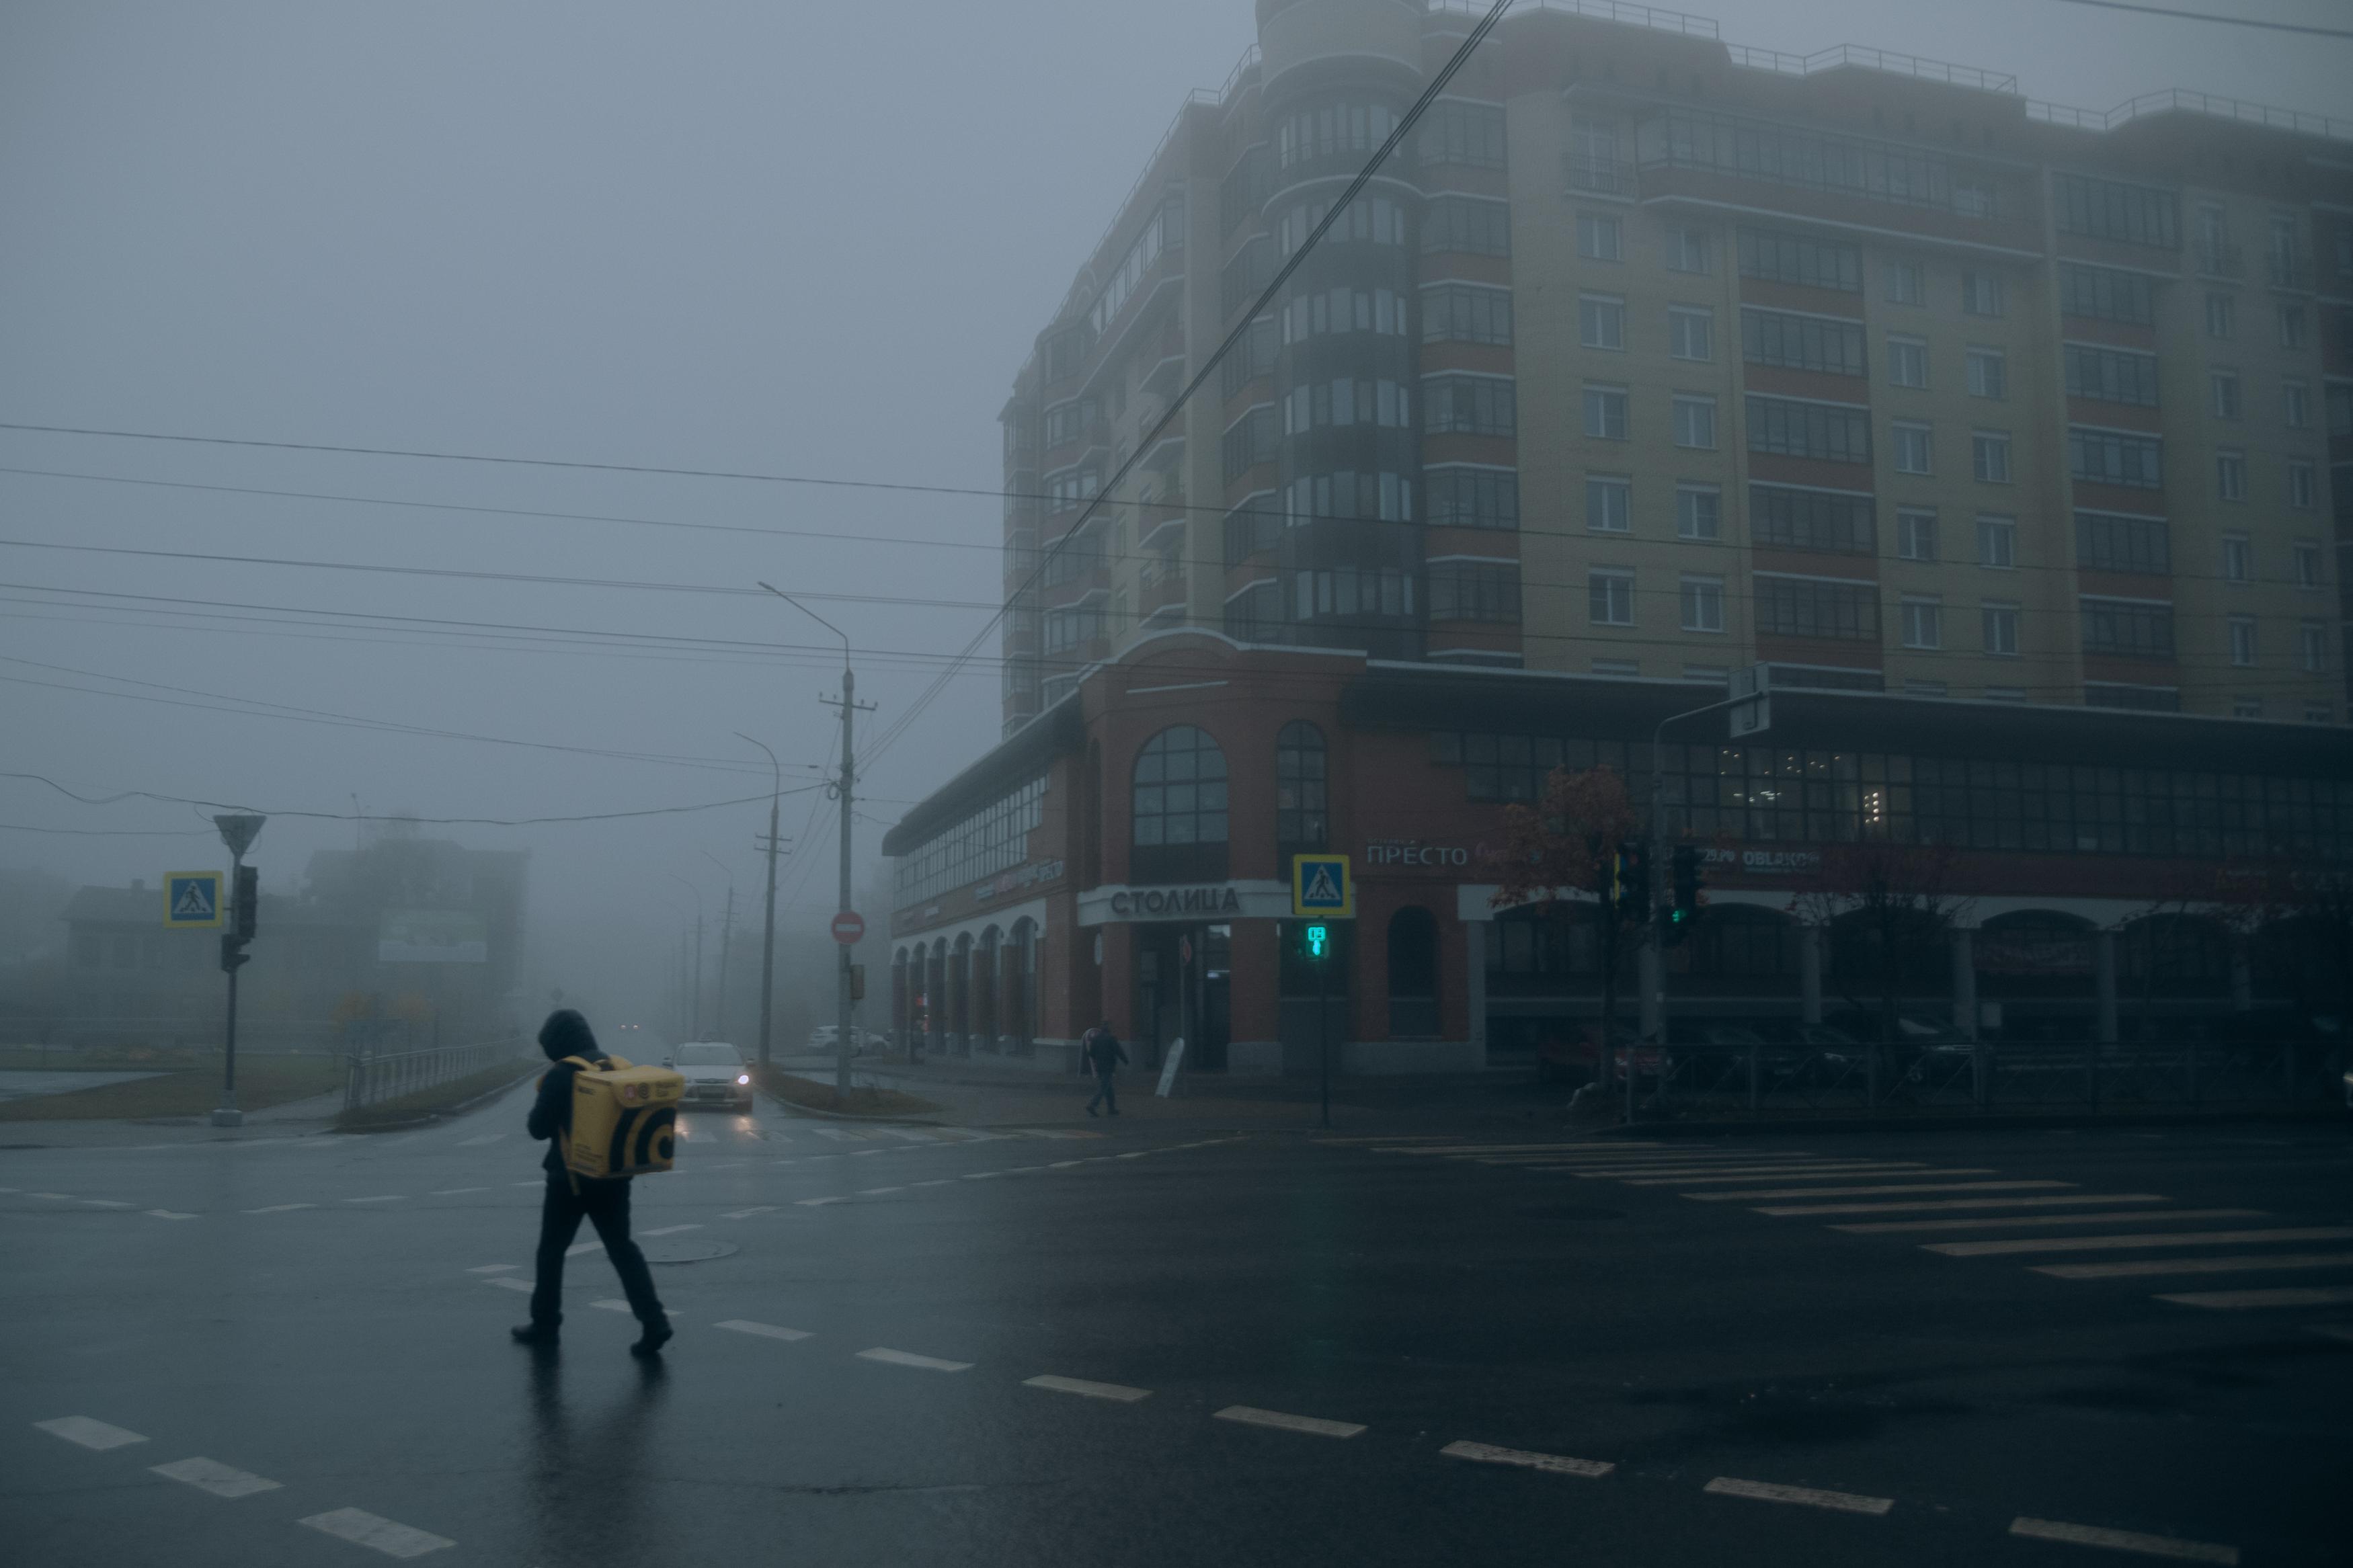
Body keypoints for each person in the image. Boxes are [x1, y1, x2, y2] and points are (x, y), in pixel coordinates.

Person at [510, 1009, 672, 1356]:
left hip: (568, 1181)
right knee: (623, 1250)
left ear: (558, 1044)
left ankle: (545, 1324)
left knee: (551, 1254)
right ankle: (655, 1322)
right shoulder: (614, 1067)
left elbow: (537, 1129)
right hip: (614, 1176)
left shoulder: (561, 1075)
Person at [1082, 1020, 1127, 1117]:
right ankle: (1092, 1105)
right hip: (1108, 1066)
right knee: (1104, 1087)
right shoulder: (1111, 1038)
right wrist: (1126, 1061)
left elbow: (1091, 1053)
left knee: (1109, 1088)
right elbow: (1119, 1051)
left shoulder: (1096, 1039)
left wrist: (1097, 1059)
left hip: (1099, 1066)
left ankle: (1111, 1109)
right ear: (1109, 1028)